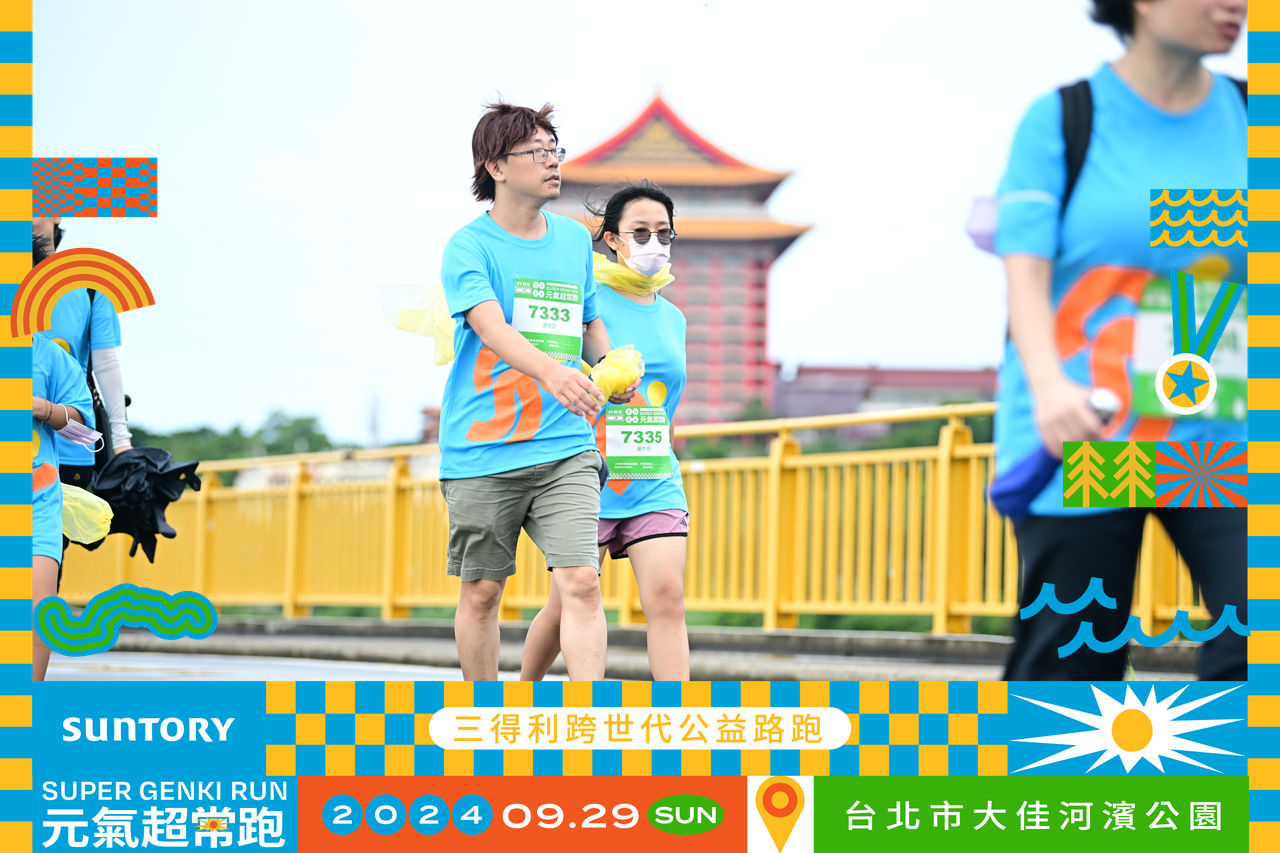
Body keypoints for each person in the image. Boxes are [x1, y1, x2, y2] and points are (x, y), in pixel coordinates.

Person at [994, 0, 1248, 681]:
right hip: (1095, 429)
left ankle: (1222, 752)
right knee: (1073, 662)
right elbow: (1025, 273)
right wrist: (1048, 388)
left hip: (1218, 435)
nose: (1237, 5)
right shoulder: (1063, 119)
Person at [440, 101, 634, 681]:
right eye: (538, 152)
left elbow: (588, 319)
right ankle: (483, 713)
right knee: (482, 592)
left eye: (556, 150)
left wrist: (608, 367)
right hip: (483, 448)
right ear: (496, 166)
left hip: (566, 444)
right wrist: (553, 372)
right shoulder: (468, 247)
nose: (554, 162)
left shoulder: (573, 241)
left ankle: (586, 716)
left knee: (582, 582)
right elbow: (490, 327)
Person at [522, 182, 691, 681]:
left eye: (663, 233)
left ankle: (677, 718)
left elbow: (667, 399)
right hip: (585, 475)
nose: (654, 243)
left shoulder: (675, 318)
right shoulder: (586, 306)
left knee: (668, 598)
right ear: (612, 239)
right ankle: (522, 694)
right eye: (640, 233)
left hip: (653, 474)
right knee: (566, 604)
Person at [33, 215, 133, 489]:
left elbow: (106, 363)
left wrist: (121, 440)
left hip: (71, 443)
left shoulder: (89, 283)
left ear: (56, 214)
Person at [32, 335, 95, 680]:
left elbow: (84, 433)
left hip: (35, 502)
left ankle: (23, 701)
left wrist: (44, 409)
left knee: (37, 610)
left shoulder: (47, 353)